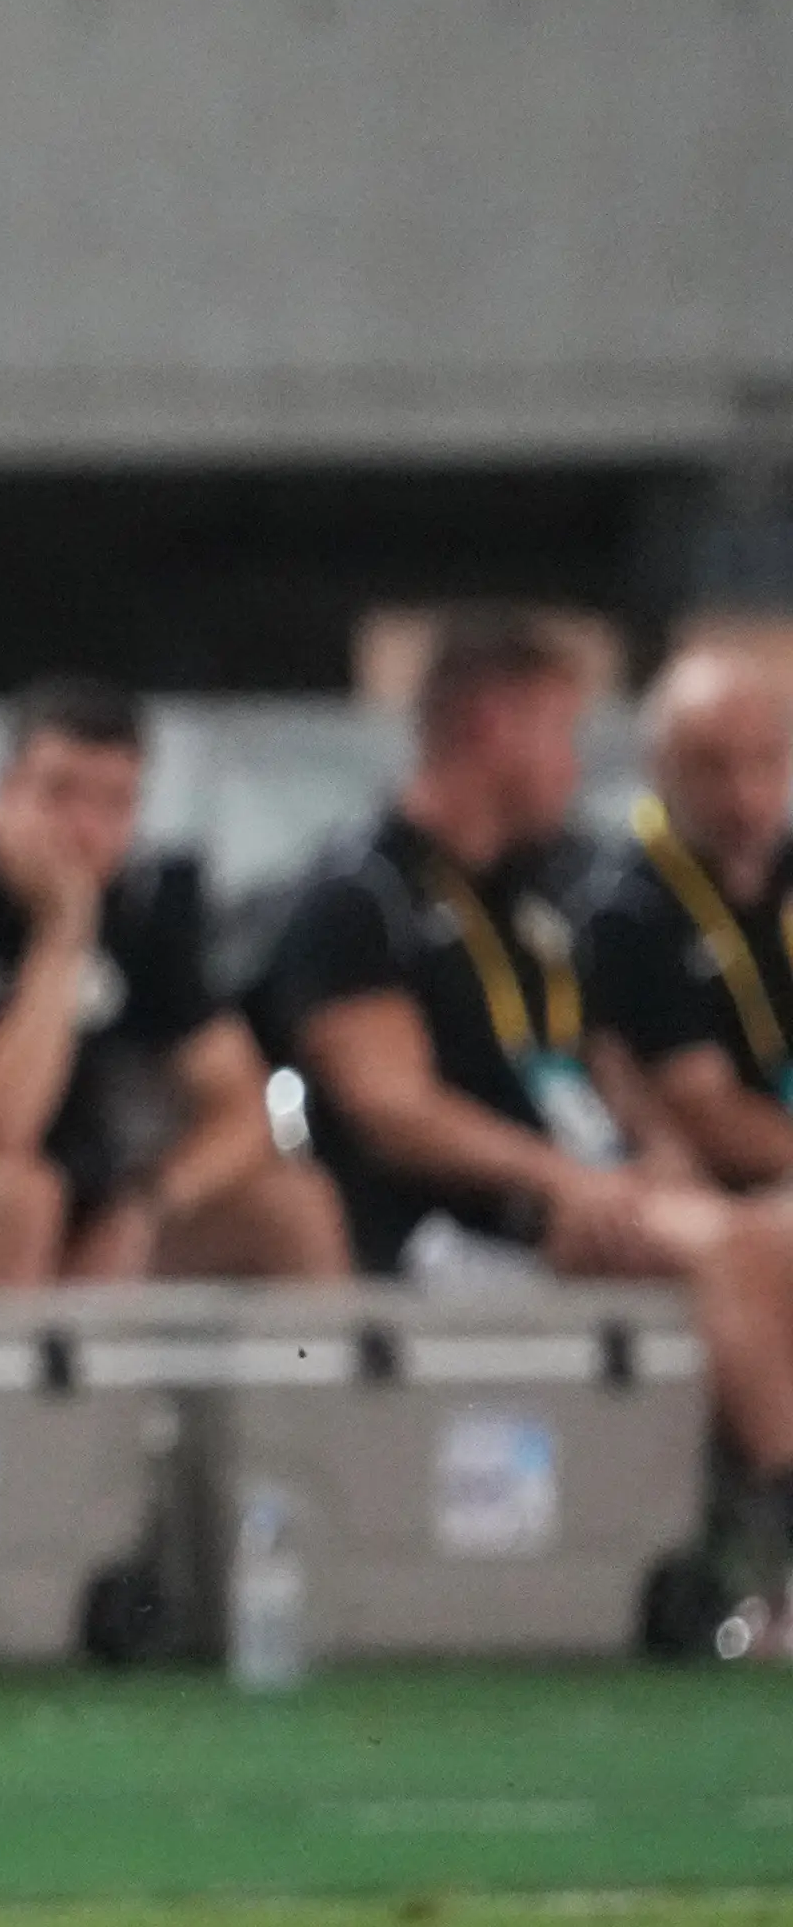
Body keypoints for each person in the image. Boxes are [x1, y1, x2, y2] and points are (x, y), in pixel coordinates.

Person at [251, 611, 793, 1580]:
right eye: (561, 733)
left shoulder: (542, 890)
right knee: (731, 1246)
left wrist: (656, 1157)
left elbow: (595, 1060)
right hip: (454, 1235)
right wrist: (566, 1181)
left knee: (771, 1229)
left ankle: (731, 1546)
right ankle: (777, 1544)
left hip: (581, 1199)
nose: (576, 765)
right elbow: (391, 1107)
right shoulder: (362, 897)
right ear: (493, 728)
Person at [0, 676, 348, 1284]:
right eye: (60, 795)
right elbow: (1, 1129)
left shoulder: (138, 913)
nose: (84, 829)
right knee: (21, 1198)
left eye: (114, 804)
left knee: (292, 1202)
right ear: (6, 791)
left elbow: (244, 1110)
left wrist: (149, 1201)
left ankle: (324, 1352)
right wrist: (61, 934)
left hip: (80, 1203)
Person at [582, 645, 793, 1194]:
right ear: (660, 768)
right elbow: (708, 1115)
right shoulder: (628, 907)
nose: (744, 797)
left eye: (765, 761)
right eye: (711, 767)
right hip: (731, 1193)